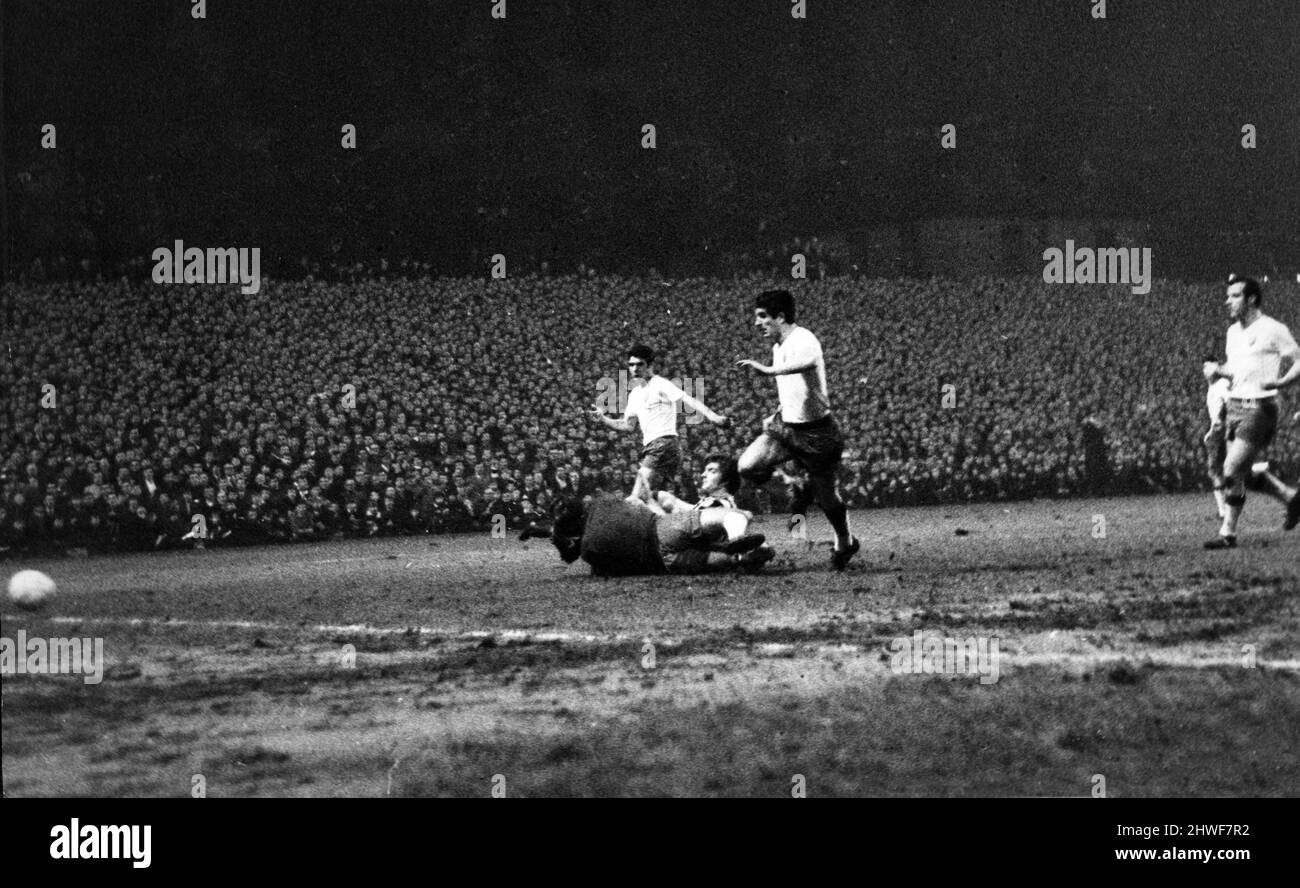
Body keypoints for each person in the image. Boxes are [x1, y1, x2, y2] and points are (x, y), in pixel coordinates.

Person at [735, 289, 859, 569]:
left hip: (818, 433)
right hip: (787, 427)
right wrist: (777, 412)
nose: (757, 324)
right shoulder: (777, 346)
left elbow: (805, 365)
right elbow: (794, 390)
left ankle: (845, 542)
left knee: (828, 498)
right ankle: (794, 487)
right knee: (747, 465)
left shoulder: (804, 338)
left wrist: (766, 371)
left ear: (780, 316)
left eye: (762, 317)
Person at [1200, 275, 1300, 548]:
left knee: (1231, 468)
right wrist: (1219, 370)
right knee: (1238, 473)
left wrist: (1281, 382)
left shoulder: (1272, 329)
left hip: (1260, 407)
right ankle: (1290, 498)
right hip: (1234, 405)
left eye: (1234, 296)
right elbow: (1238, 369)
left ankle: (1227, 532)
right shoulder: (1233, 332)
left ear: (1251, 299)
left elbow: (1299, 359)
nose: (1227, 301)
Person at [587, 344, 731, 505]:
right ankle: (699, 512)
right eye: (631, 365)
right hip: (656, 447)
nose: (635, 368)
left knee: (636, 496)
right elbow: (627, 425)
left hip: (663, 444)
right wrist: (603, 419)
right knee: (653, 499)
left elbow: (687, 400)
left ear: (650, 365)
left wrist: (713, 416)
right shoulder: (635, 394)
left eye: (640, 364)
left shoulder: (660, 383)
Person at [533, 494, 771, 576]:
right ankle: (736, 537)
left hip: (663, 562)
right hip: (666, 527)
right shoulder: (602, 502)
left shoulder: (589, 550)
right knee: (731, 514)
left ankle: (740, 558)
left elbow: (577, 558)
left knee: (726, 562)